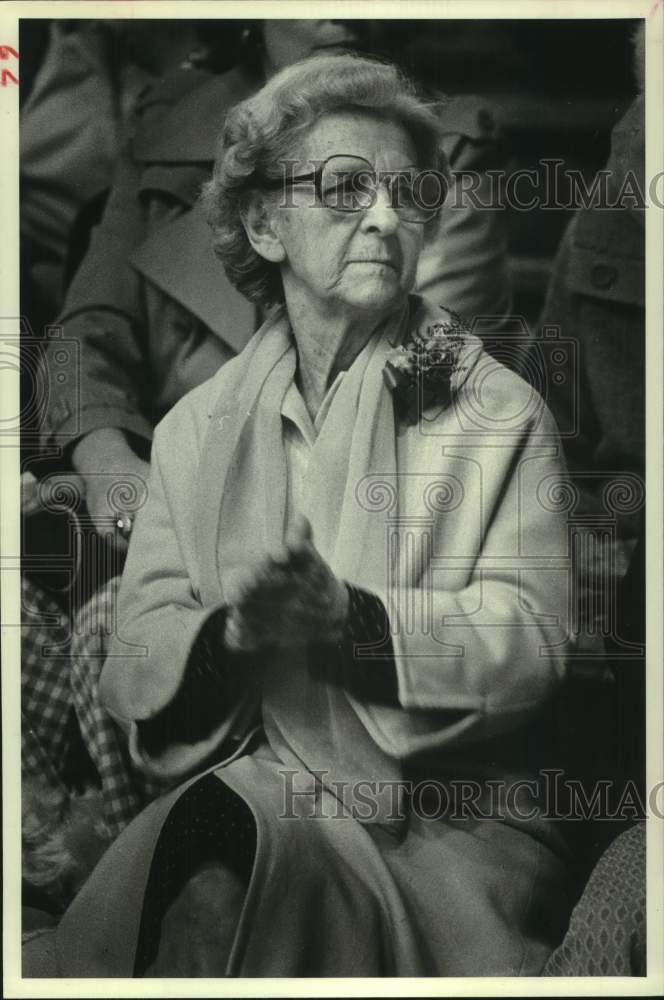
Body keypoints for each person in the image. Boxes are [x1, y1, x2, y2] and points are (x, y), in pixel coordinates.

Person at [24, 53, 575, 978]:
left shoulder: (501, 410)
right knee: (200, 867)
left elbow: (533, 637)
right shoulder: (196, 430)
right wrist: (230, 636)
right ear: (263, 222)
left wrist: (351, 623)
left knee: (217, 888)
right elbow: (141, 643)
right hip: (249, 783)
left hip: (443, 826)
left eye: (408, 194)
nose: (386, 217)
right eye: (345, 187)